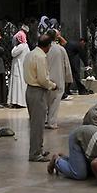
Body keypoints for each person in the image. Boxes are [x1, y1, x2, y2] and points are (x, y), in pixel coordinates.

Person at [24, 33, 57, 161]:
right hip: (38, 91)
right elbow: (43, 79)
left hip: (29, 90)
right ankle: (35, 153)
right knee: (37, 125)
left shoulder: (30, 54)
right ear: (48, 46)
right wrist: (53, 85)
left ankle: (38, 148)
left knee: (35, 123)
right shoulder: (41, 57)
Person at [45, 31, 73, 128]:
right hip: (58, 77)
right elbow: (67, 65)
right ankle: (51, 122)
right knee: (55, 101)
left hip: (45, 77)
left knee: (45, 100)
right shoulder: (60, 49)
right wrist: (68, 78)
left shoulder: (43, 49)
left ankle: (45, 119)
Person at [8, 37, 29, 108]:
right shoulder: (26, 46)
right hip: (22, 68)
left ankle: (16, 101)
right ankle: (21, 101)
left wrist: (14, 46)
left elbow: (13, 53)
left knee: (17, 85)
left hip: (17, 68)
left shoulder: (20, 46)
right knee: (21, 85)